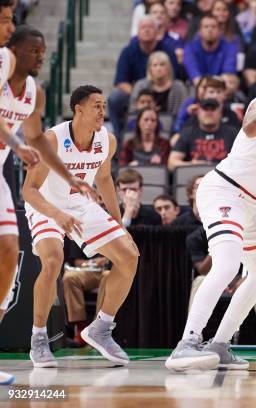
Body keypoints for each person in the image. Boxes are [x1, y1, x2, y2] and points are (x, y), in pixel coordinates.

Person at [165, 50, 256, 372]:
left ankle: (220, 343)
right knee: (227, 264)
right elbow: (253, 126)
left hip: (251, 204)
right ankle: (186, 343)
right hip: (224, 191)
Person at [0, 20, 91, 385]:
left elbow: (36, 138)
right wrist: (15, 142)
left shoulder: (34, 92)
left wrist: (69, 178)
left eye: (42, 50)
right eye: (32, 50)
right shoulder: (2, 67)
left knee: (9, 251)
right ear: (14, 51)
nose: (39, 56)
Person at [22, 85, 140, 367]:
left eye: (104, 105)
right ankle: (38, 337)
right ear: (79, 109)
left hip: (81, 205)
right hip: (46, 205)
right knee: (53, 261)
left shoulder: (107, 140)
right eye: (96, 105)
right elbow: (29, 190)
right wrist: (56, 214)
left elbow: (104, 180)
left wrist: (118, 222)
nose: (103, 111)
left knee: (129, 257)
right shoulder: (52, 139)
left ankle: (101, 327)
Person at [168, 98, 238, 170]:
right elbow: (171, 163)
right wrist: (192, 165)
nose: (209, 112)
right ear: (198, 112)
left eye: (213, 109)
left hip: (224, 177)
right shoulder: (188, 132)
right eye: (205, 109)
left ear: (220, 113)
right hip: (194, 176)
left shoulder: (232, 133)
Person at [129, 50, 188, 119]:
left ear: (169, 68)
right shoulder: (141, 86)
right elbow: (132, 111)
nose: (158, 68)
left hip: (171, 126)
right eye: (155, 65)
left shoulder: (178, 87)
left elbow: (182, 114)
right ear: (149, 69)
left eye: (162, 65)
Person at [182, 13, 237, 85]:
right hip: (198, 87)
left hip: (222, 88)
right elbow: (195, 77)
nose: (210, 30)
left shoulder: (230, 48)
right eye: (206, 26)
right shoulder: (190, 48)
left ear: (220, 31)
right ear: (199, 31)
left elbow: (228, 76)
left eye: (213, 27)